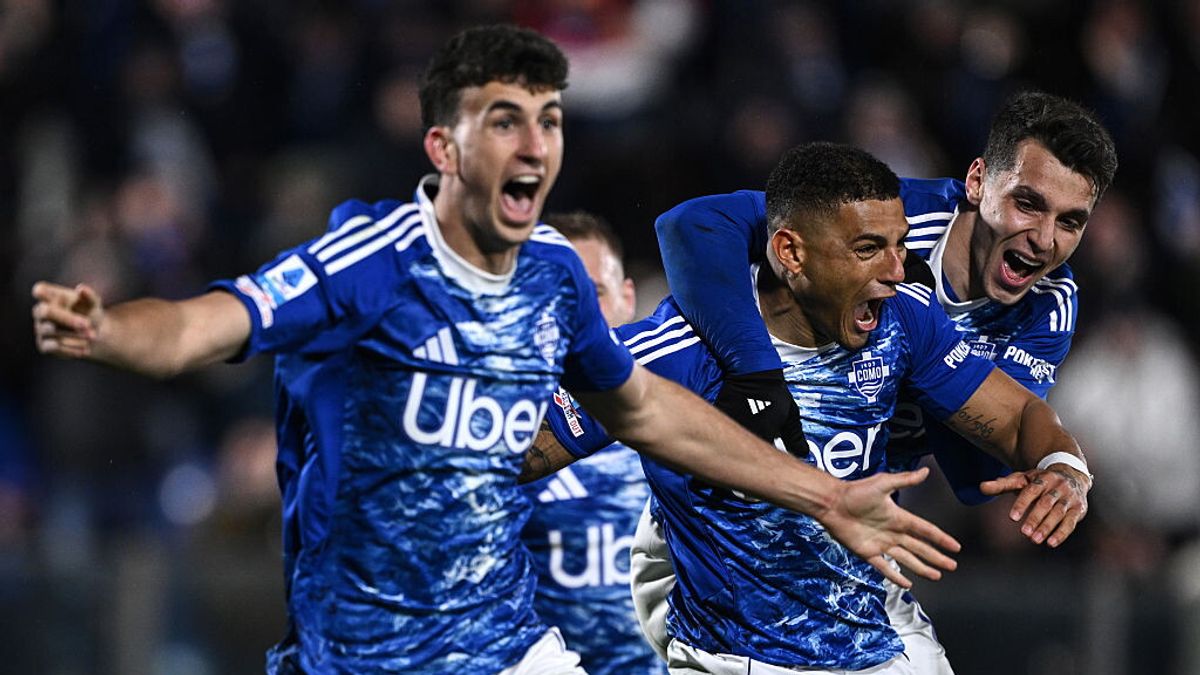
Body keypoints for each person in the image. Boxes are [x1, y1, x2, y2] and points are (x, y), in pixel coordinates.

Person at [31, 25, 960, 674]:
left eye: (549, 119)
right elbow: (198, 326)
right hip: (360, 652)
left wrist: (824, 494)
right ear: (444, 146)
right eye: (505, 119)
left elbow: (642, 407)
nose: (535, 144)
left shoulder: (555, 275)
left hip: (510, 646)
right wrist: (109, 327)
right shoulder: (369, 263)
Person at [538, 142, 1094, 674]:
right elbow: (517, 447)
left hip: (872, 626)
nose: (896, 270)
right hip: (750, 654)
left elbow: (1017, 417)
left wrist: (1065, 468)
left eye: (900, 246)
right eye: (867, 249)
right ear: (791, 254)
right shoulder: (677, 353)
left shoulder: (902, 319)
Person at [519, 211, 665, 674]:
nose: (575, 314)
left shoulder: (681, 417)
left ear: (627, 298)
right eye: (554, 294)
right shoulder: (498, 439)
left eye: (593, 294)